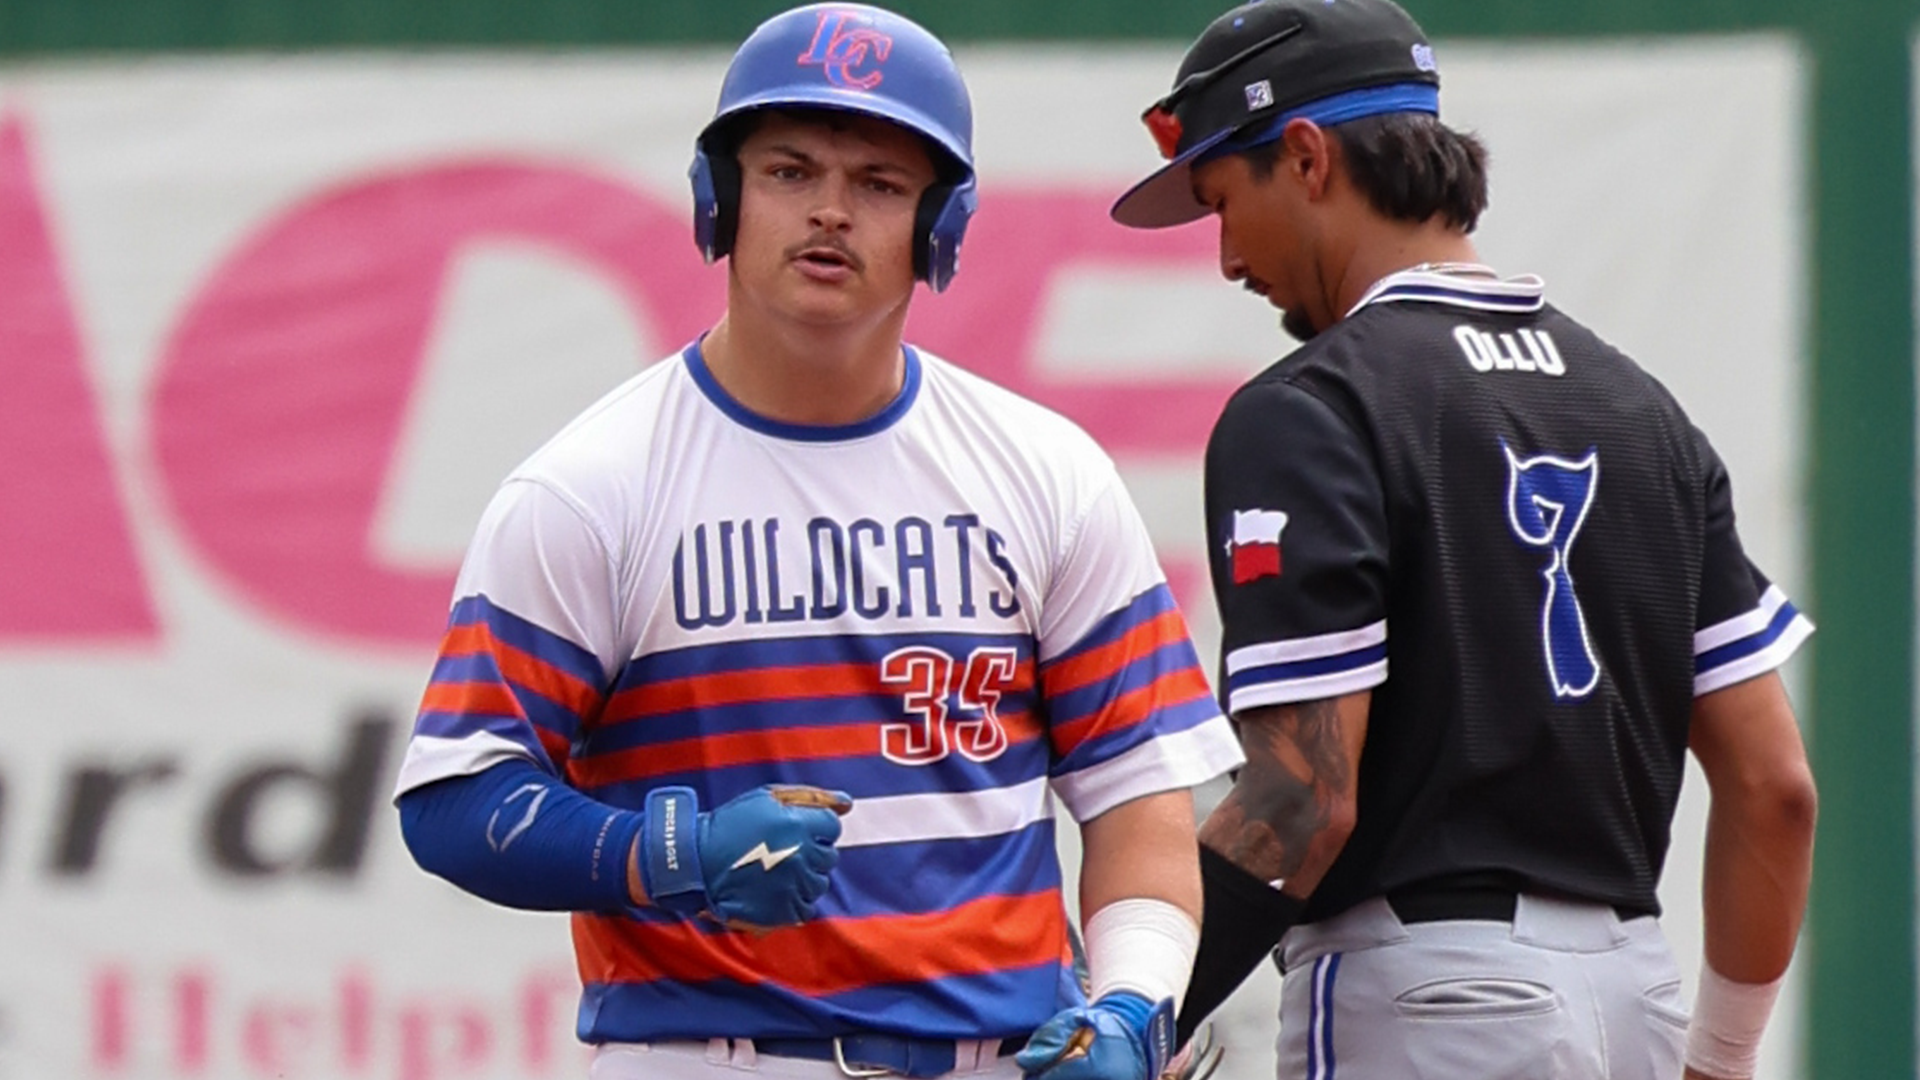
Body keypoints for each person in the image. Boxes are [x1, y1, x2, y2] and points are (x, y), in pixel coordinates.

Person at [391, 5, 1244, 1080]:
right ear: (723, 200)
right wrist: (670, 856)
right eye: (790, 171)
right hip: (710, 1055)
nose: (830, 212)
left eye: (881, 184)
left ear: (941, 223)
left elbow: (1136, 792)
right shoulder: (590, 485)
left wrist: (1131, 1003)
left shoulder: (1047, 471)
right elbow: (456, 797)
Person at [1109, 2, 1819, 1079]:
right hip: (1636, 998)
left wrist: (1129, 1010)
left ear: (1304, 158)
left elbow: (1301, 799)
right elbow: (1775, 786)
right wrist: (1715, 1062)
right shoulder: (1642, 410)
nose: (1225, 260)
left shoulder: (1312, 407)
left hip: (1433, 1003)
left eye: (1220, 202)